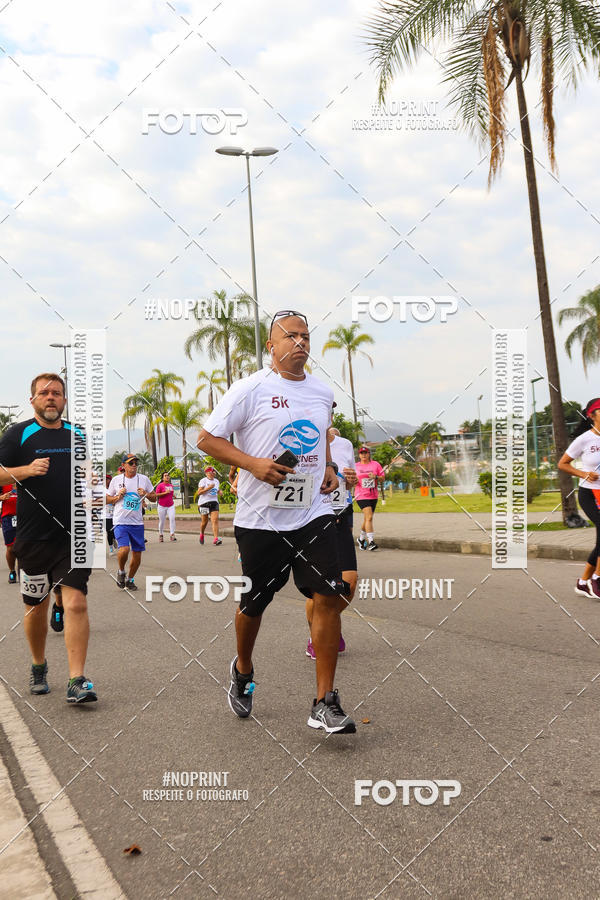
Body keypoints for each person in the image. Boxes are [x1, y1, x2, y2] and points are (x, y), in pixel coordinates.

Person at [197, 310, 355, 734]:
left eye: (305, 336)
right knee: (254, 605)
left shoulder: (322, 392)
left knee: (329, 591)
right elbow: (206, 438)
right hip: (260, 519)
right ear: (272, 346)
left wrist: (327, 469)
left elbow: (322, 433)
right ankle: (243, 669)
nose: (300, 342)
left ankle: (325, 701)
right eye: (291, 336)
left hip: (312, 513)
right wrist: (252, 464)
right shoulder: (249, 389)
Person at [0, 373, 96, 702]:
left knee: (76, 602)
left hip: (74, 536)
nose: (51, 397)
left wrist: (89, 479)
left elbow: (84, 470)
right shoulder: (18, 434)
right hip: (33, 537)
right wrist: (26, 470)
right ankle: (39, 665)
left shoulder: (77, 432)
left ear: (64, 400)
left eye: (56, 393)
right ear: (33, 400)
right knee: (36, 606)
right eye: (44, 393)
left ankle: (77, 679)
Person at [305, 425, 358, 659]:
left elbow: (351, 481)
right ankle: (317, 636)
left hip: (341, 515)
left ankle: (327, 625)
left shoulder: (345, 444)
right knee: (319, 590)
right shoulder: (303, 441)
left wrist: (351, 479)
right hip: (313, 519)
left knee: (350, 583)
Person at [558, 398, 600, 598]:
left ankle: (583, 582)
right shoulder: (584, 439)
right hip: (589, 493)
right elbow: (563, 464)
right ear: (592, 416)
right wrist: (584, 474)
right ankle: (596, 580)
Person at [106, 453, 156, 591]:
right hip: (120, 520)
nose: (134, 465)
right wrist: (118, 496)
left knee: (137, 554)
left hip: (137, 523)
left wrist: (145, 493)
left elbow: (154, 498)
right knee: (124, 548)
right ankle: (121, 571)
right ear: (123, 466)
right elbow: (106, 499)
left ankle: (130, 579)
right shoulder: (116, 480)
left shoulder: (144, 479)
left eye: (135, 463)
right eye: (131, 463)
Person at [354, 446, 385, 550]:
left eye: (365, 453)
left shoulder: (375, 464)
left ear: (369, 454)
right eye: (361, 453)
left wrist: (375, 477)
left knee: (367, 518)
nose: (363, 455)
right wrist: (354, 480)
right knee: (369, 517)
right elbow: (350, 479)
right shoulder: (355, 466)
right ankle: (371, 542)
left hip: (373, 495)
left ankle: (361, 539)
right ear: (359, 455)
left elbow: (382, 478)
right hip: (361, 495)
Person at [195, 465, 222, 545]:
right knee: (204, 522)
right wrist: (208, 488)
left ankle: (216, 539)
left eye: (213, 472)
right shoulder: (203, 481)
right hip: (204, 503)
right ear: (206, 473)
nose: (212, 473)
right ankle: (202, 533)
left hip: (214, 502)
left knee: (215, 520)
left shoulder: (216, 481)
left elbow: (217, 489)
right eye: (210, 472)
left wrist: (219, 492)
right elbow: (199, 493)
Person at [1, 482, 18, 583]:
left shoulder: (26, 475)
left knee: (26, 545)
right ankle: (12, 571)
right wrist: (2, 497)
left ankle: (25, 571)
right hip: (8, 517)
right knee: (10, 548)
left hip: (25, 516)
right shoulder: (3, 478)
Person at [156, 472, 176, 542]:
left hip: (171, 505)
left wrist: (173, 495)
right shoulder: (160, 485)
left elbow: (171, 493)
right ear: (163, 478)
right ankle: (161, 534)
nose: (167, 476)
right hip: (162, 506)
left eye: (168, 475)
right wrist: (165, 493)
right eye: (165, 475)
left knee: (172, 518)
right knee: (162, 521)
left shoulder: (171, 485)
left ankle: (172, 534)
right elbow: (157, 494)